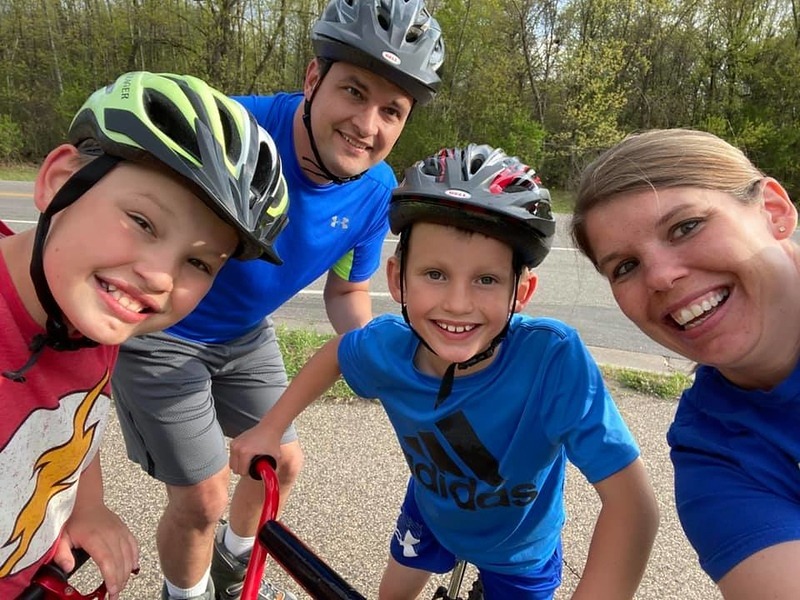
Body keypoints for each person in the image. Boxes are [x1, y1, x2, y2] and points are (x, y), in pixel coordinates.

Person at [109, 1, 445, 599]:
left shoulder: (376, 191)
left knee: (281, 466)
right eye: (353, 91)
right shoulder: (227, 128)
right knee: (203, 498)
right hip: (162, 334)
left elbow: (345, 292)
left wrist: (371, 352)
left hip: (243, 334)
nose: (367, 125)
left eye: (391, 110)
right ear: (314, 80)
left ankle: (233, 566)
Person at [229, 144, 660, 600]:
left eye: (487, 279)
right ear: (397, 279)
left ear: (522, 290)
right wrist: (271, 429)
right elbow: (337, 354)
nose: (457, 303)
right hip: (432, 515)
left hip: (519, 548)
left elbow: (633, 507)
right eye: (434, 274)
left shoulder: (552, 361)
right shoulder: (390, 347)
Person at [0, 70, 289, 600]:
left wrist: (84, 506)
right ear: (60, 181)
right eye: (144, 221)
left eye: (199, 262)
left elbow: (75, 420)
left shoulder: (92, 312)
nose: (160, 278)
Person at [570, 128, 800, 600]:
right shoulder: (713, 455)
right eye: (625, 267)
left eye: (686, 227)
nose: (660, 276)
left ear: (773, 211)